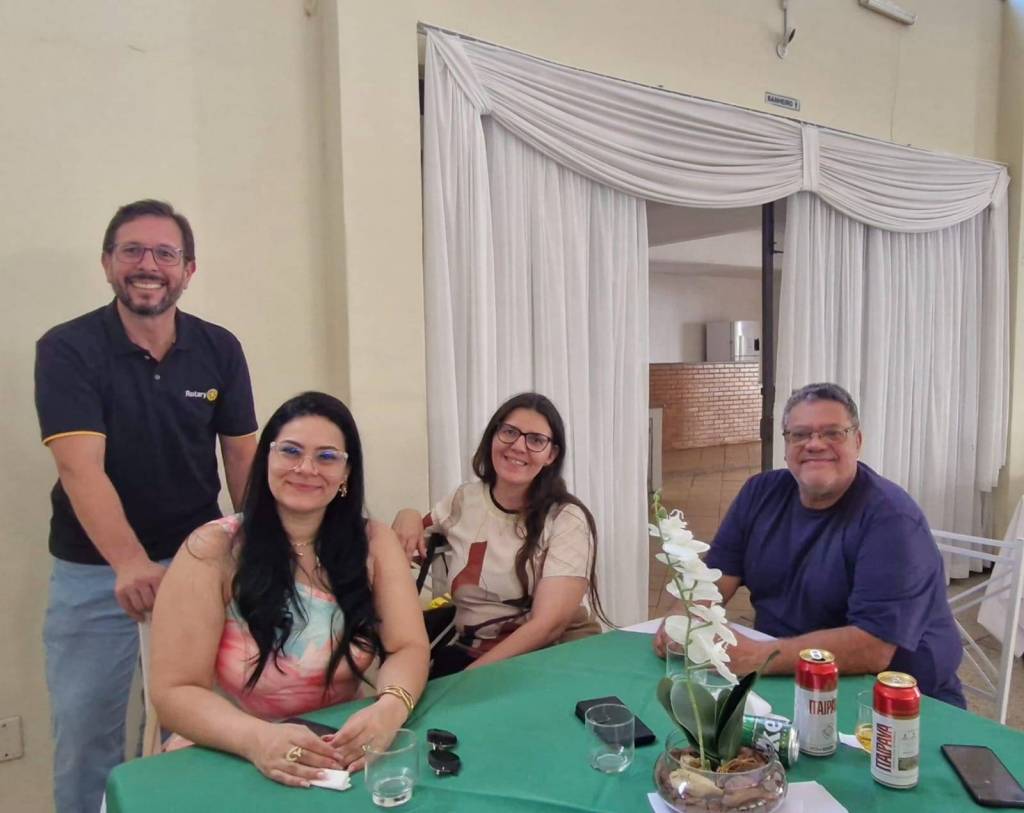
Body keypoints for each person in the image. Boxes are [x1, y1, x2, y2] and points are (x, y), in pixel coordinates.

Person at [35, 199, 258, 813]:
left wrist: (261, 550)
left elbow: (243, 457)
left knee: (193, 733)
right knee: (87, 741)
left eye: (165, 253)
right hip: (95, 575)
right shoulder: (68, 348)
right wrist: (130, 563)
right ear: (108, 263)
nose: (148, 265)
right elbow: (79, 467)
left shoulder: (219, 348)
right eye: (132, 250)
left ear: (188, 269)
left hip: (200, 567)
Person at [150, 392, 429, 787]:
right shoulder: (213, 549)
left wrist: (390, 707)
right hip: (231, 746)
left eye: (327, 457)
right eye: (291, 451)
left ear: (346, 474)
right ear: (267, 458)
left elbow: (408, 647)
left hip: (337, 745)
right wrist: (257, 739)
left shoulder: (374, 543)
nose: (306, 468)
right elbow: (174, 691)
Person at [654, 382, 965, 707]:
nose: (815, 444)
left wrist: (757, 656)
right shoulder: (759, 493)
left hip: (896, 703)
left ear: (857, 442)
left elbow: (873, 649)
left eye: (832, 433)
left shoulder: (892, 519)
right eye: (800, 434)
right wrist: (682, 619)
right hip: (788, 680)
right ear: (786, 446)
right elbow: (713, 581)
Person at [393, 392, 607, 677]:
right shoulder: (464, 500)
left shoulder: (566, 519)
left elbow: (547, 626)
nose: (518, 446)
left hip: (552, 654)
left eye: (536, 440)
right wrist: (407, 514)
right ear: (493, 436)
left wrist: (468, 680)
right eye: (509, 432)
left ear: (551, 455)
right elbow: (410, 538)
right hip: (473, 649)